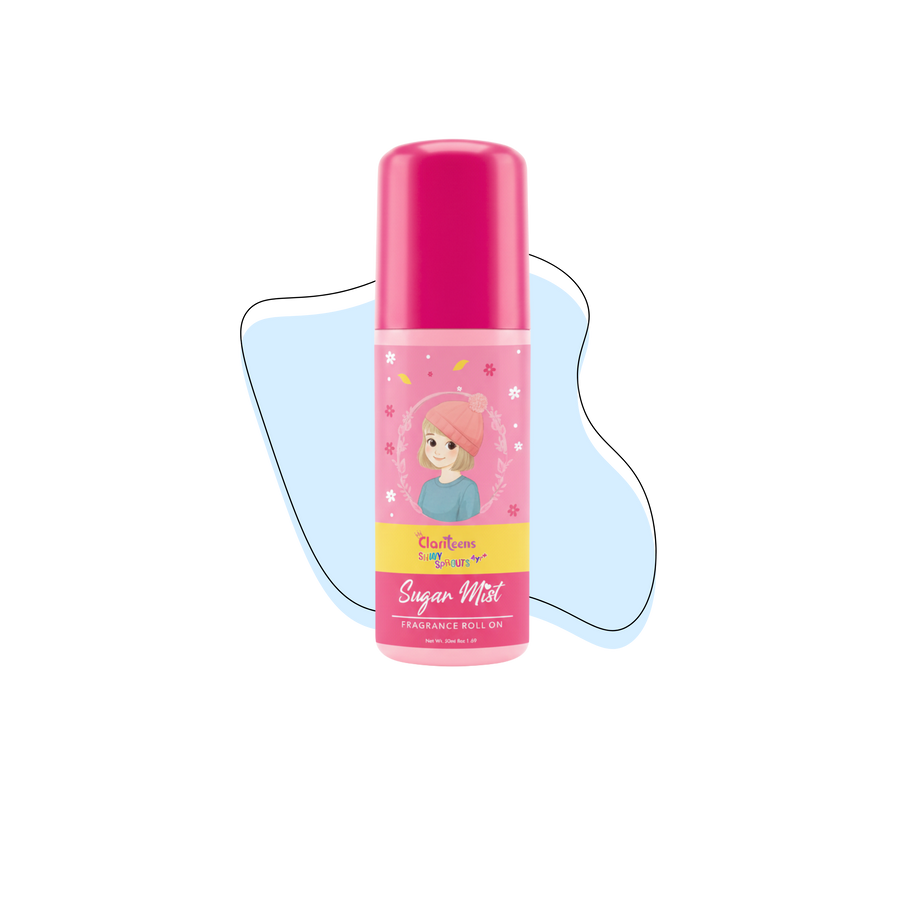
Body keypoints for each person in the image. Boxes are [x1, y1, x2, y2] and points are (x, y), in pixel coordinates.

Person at [416, 393, 488, 522]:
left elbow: (470, 526)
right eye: (432, 442)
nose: (437, 451)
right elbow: (418, 521)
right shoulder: (427, 487)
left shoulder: (468, 488)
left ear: (464, 450)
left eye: (450, 445)